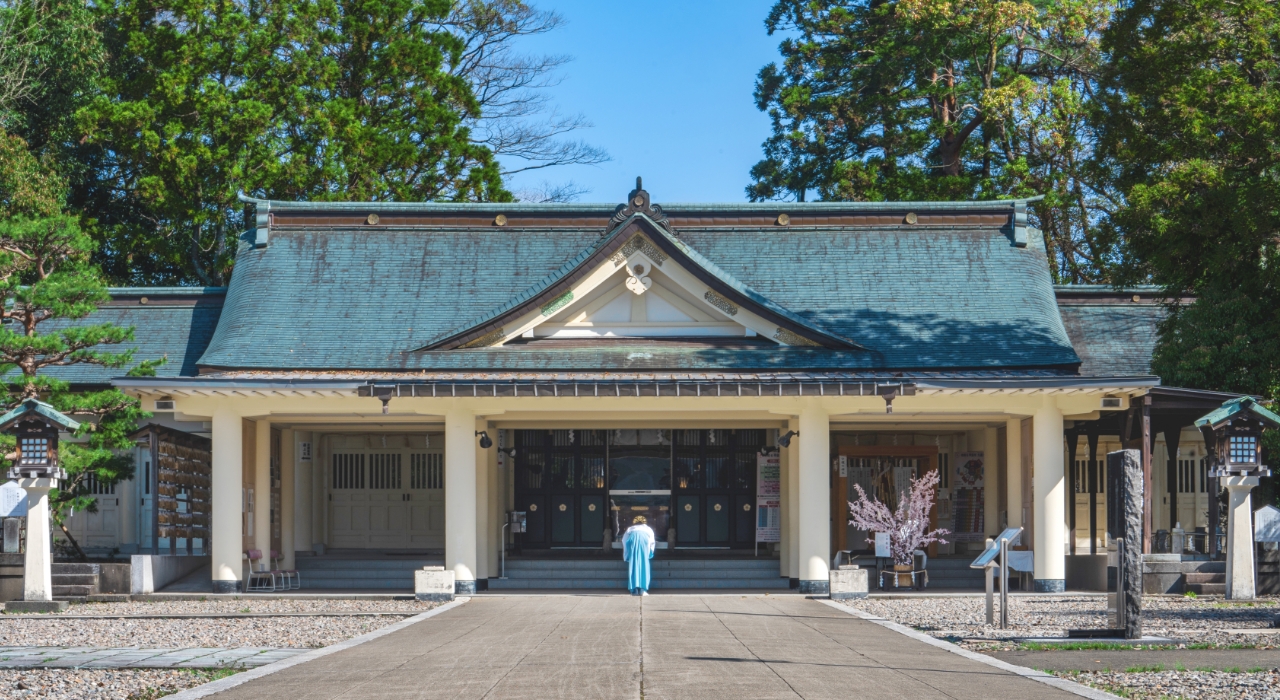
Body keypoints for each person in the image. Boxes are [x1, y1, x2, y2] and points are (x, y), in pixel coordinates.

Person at [622, 515, 655, 595]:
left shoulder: (630, 528)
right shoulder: (648, 529)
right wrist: (650, 552)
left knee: (633, 565)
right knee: (644, 564)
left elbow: (624, 540)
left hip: (632, 540)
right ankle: (643, 589)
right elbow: (652, 541)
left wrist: (626, 554)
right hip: (644, 540)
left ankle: (634, 590)